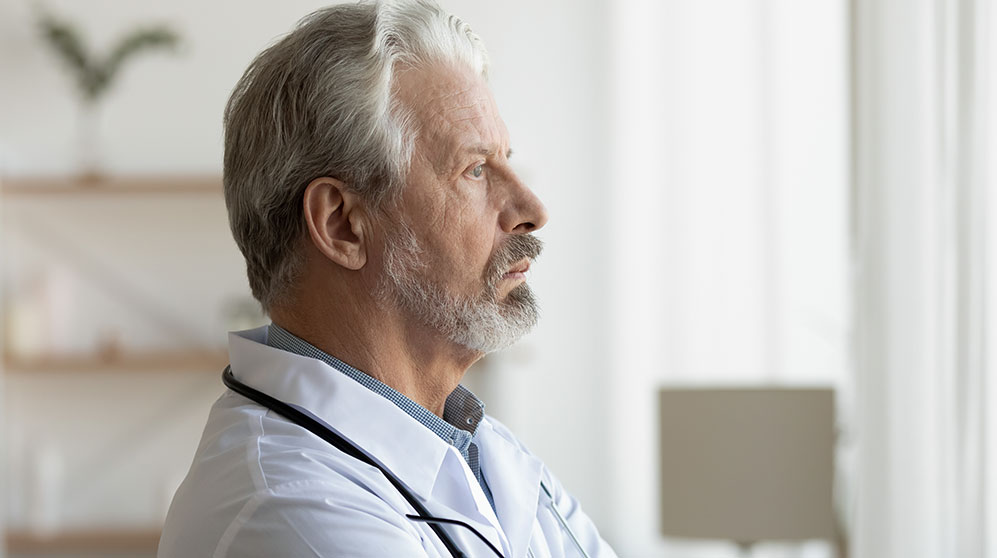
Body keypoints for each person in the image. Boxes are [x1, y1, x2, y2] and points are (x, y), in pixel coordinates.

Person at [158, 1, 617, 557]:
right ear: (343, 224)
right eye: (474, 169)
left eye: (507, 162)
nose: (531, 208)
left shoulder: (483, 452)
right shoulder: (292, 508)